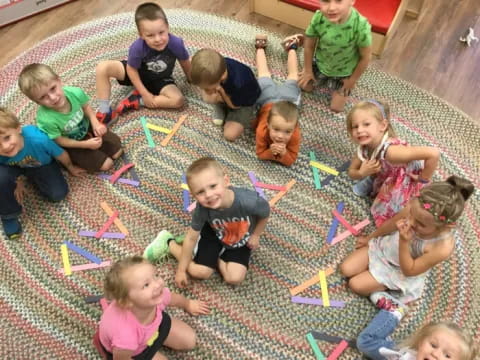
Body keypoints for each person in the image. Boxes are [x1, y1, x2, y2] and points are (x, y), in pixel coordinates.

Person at [340, 176, 474, 304]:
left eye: (421, 224)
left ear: (446, 226)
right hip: (385, 250)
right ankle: (374, 278)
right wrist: (371, 238)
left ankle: (390, 292)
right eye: (411, 215)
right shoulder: (417, 210)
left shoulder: (442, 247)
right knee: (345, 269)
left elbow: (410, 270)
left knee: (355, 285)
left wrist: (404, 242)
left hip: (399, 271)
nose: (410, 222)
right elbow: (392, 223)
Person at [144, 157, 270, 286]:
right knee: (200, 273)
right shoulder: (202, 208)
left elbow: (265, 213)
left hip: (240, 236)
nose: (208, 195)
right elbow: (191, 238)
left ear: (226, 181)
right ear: (194, 195)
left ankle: (215, 257)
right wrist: (181, 270)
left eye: (213, 186)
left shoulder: (249, 201)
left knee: (234, 278)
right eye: (200, 192)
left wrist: (256, 235)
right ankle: (169, 243)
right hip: (213, 233)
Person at [346, 100, 440, 227]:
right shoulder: (364, 148)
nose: (359, 130)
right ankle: (373, 180)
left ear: (383, 126)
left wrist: (423, 179)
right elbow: (351, 172)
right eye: (355, 126)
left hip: (403, 179)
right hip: (384, 174)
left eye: (366, 124)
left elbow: (433, 154)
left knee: (391, 217)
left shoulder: (392, 152)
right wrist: (362, 172)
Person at [95, 2, 191, 124]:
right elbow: (131, 69)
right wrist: (145, 92)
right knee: (102, 67)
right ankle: (104, 111)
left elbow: (185, 61)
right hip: (137, 72)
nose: (157, 39)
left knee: (178, 100)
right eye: (150, 35)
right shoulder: (137, 47)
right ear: (141, 35)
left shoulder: (176, 43)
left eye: (161, 32)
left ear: (167, 27)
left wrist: (191, 78)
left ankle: (137, 100)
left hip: (160, 79)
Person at [99, 255, 209, 360]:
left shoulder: (155, 296)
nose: (157, 284)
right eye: (146, 285)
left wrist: (188, 304)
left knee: (189, 340)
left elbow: (173, 298)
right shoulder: (125, 335)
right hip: (134, 352)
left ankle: (152, 338)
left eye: (155, 276)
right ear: (127, 301)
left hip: (154, 327)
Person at [18, 63, 123, 173]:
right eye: (43, 97)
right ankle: (74, 159)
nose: (53, 98)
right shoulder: (45, 120)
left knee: (118, 151)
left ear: (58, 80)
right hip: (72, 144)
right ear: (37, 102)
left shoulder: (75, 92)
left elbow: (86, 107)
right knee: (107, 164)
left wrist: (95, 122)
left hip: (88, 129)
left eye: (53, 88)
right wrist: (85, 145)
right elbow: (59, 141)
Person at [0, 107, 85, 239]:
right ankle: (8, 215)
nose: (5, 147)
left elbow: (61, 154)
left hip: (41, 165)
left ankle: (33, 176)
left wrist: (70, 167)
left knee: (58, 194)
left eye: (7, 138)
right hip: (13, 167)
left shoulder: (38, 140)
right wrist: (17, 182)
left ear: (18, 128)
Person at [293, 0, 372, 112]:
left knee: (336, 108)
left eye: (339, 1)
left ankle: (297, 42)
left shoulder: (361, 26)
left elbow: (365, 57)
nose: (331, 8)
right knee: (304, 87)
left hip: (344, 74)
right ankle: (293, 46)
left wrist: (352, 80)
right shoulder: (319, 17)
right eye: (325, 1)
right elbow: (309, 46)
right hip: (320, 65)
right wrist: (308, 70)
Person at [190, 48, 261, 142]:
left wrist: (221, 93)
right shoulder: (217, 66)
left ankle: (221, 105)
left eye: (207, 88)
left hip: (242, 103)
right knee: (207, 96)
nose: (204, 90)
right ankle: (220, 105)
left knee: (230, 135)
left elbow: (235, 106)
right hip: (225, 92)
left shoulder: (239, 83)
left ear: (222, 77)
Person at [253, 34, 301, 166]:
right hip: (286, 99)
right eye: (276, 129)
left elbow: (290, 161)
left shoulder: (295, 134)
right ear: (267, 125)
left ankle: (264, 47)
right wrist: (271, 151)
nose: (280, 136)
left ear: (294, 128)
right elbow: (261, 154)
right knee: (291, 75)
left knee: (264, 74)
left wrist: (284, 153)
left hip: (269, 98)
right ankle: (262, 48)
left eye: (287, 131)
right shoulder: (262, 131)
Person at [357, 314, 477, 360]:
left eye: (447, 356)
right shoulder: (411, 353)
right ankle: (393, 311)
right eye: (433, 345)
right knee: (365, 342)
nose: (435, 354)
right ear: (421, 341)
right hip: (399, 353)